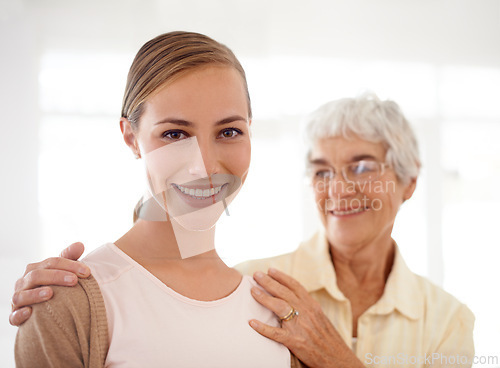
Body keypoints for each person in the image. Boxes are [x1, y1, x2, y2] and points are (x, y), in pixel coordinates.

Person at [11, 91, 475, 366]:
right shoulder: (253, 288)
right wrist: (84, 287)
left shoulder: (448, 321)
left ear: (410, 181)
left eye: (359, 168)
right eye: (321, 171)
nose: (337, 190)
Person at [13, 31, 298, 368]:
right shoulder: (68, 302)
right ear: (131, 138)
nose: (203, 166)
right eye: (175, 134)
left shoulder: (278, 309)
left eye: (229, 132)